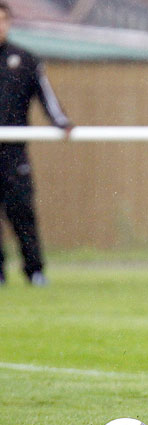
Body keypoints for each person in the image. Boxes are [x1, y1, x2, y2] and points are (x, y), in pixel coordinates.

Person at [0, 1, 72, 286]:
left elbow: (46, 97)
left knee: (22, 212)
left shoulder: (25, 59)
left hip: (14, 152)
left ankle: (35, 271)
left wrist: (61, 121)